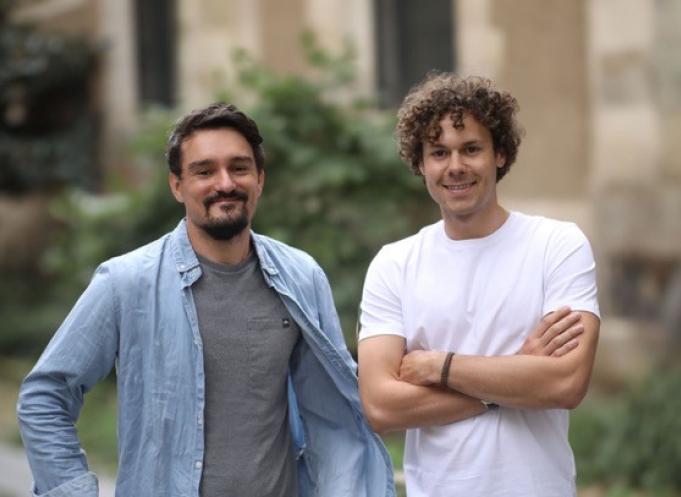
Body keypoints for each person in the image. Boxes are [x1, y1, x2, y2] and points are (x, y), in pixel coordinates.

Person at [17, 103, 395, 497]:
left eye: (239, 167)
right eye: (204, 171)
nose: (225, 183)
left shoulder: (302, 276)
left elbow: (333, 415)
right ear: (177, 185)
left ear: (260, 179)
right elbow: (45, 397)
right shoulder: (127, 281)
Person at [357, 73, 600, 497]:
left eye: (471, 148)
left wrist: (440, 367)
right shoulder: (394, 264)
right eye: (439, 152)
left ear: (500, 153)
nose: (455, 167)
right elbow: (380, 406)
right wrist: (510, 380)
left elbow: (566, 384)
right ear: (421, 163)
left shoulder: (557, 245)